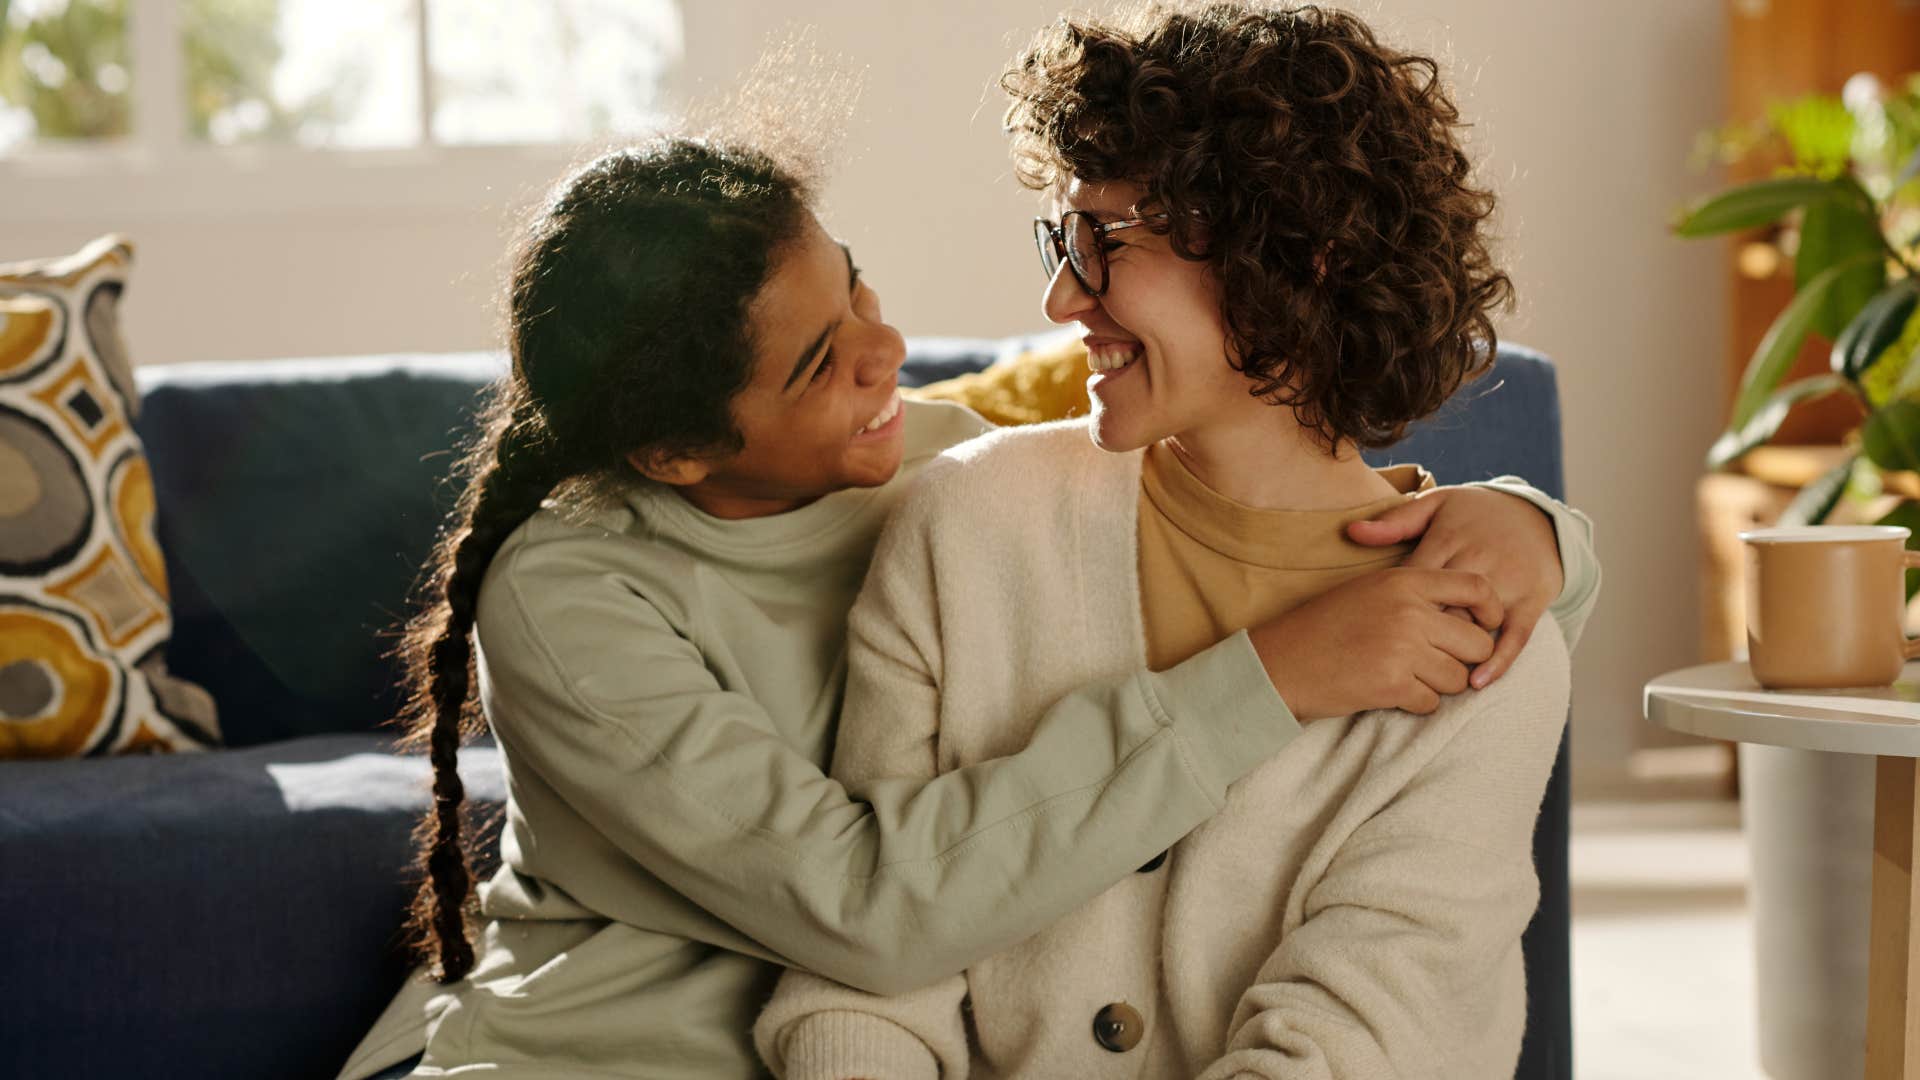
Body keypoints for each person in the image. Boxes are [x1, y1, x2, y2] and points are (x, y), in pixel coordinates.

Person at [338, 131, 1593, 1078]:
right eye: (820, 362)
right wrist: (1270, 677)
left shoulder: (934, 466)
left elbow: (1210, 503)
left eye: (859, 290)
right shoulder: (570, 598)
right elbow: (869, 912)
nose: (887, 352)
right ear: (675, 452)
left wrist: (1538, 531)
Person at [754, 5, 1596, 1079]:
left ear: (1304, 258)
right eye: (1063, 239)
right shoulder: (970, 522)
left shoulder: (1484, 650)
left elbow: (1350, 1048)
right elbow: (863, 975)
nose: (1061, 296)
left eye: (1106, 242)